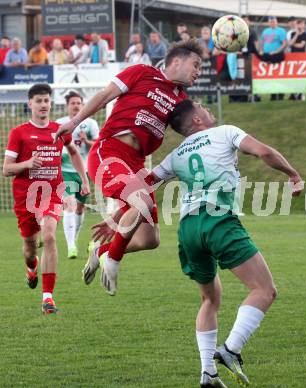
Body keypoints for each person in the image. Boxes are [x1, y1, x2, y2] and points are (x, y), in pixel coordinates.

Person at [151, 99, 303, 388]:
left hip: (188, 229)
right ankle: (231, 349)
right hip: (218, 220)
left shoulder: (176, 154)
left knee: (210, 299)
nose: (207, 109)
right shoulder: (224, 131)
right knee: (265, 290)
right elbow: (264, 152)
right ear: (196, 120)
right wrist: (292, 174)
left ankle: (207, 372)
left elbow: (142, 184)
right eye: (202, 107)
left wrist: (116, 220)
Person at [54, 40, 203, 296]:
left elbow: (195, 128)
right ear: (176, 61)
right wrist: (76, 121)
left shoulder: (181, 100)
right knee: (141, 201)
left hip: (136, 164)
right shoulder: (142, 72)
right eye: (196, 65)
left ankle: (101, 252)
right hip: (110, 151)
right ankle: (112, 261)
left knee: (150, 239)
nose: (198, 71)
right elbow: (103, 97)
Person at [2, 83, 90, 314]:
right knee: (30, 247)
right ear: (30, 104)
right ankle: (31, 267)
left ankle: (48, 298)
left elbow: (74, 152)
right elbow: (7, 169)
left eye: (46, 100)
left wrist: (84, 179)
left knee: (50, 236)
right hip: (26, 198)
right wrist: (27, 164)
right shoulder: (18, 132)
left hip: (51, 193)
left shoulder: (60, 129)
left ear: (51, 103)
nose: (43, 105)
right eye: (38, 101)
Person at [56, 91, 99, 259]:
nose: (76, 106)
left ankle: (74, 238)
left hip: (84, 171)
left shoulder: (90, 124)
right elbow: (53, 143)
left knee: (80, 208)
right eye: (72, 103)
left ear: (83, 105)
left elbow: (98, 143)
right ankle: (71, 246)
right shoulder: (59, 123)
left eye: (78, 103)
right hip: (65, 170)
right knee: (69, 204)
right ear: (67, 105)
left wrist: (86, 140)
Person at [259, 16, 287, 101]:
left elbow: (284, 43)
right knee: (270, 77)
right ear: (268, 23)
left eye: (274, 21)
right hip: (267, 55)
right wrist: (260, 50)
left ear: (276, 22)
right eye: (270, 22)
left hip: (277, 55)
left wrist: (276, 52)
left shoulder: (281, 31)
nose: (272, 23)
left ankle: (280, 94)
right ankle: (273, 94)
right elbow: (262, 42)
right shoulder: (265, 31)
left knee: (278, 77)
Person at [289, 19, 306, 100]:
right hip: (293, 57)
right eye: (298, 24)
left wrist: (294, 44)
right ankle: (294, 93)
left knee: (302, 76)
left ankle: (301, 93)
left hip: (302, 57)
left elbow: (301, 45)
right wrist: (296, 34)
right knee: (294, 76)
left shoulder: (305, 34)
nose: (299, 26)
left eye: (301, 24)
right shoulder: (293, 33)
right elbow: (290, 43)